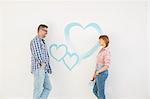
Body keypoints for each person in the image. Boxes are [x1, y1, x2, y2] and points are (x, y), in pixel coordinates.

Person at [30, 24, 52, 99]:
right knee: (38, 90)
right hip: (39, 68)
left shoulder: (42, 41)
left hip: (43, 69)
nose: (46, 32)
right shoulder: (36, 41)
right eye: (44, 30)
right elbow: (37, 53)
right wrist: (42, 64)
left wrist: (46, 67)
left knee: (48, 87)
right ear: (39, 30)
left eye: (47, 31)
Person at [92, 35, 111, 99]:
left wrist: (98, 72)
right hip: (98, 73)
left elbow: (106, 66)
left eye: (100, 40)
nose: (99, 42)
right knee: (95, 90)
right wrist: (94, 73)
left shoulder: (106, 52)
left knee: (101, 93)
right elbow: (98, 64)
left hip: (102, 74)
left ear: (104, 40)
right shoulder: (102, 50)